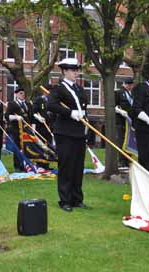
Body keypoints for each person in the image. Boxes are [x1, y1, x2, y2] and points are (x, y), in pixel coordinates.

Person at [47, 58, 89, 212]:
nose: (76, 73)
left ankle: (77, 199)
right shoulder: (58, 89)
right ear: (65, 71)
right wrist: (70, 112)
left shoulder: (80, 89)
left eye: (77, 70)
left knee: (78, 167)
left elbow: (84, 108)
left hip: (79, 133)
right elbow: (51, 105)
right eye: (73, 70)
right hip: (64, 133)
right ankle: (65, 200)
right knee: (66, 166)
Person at [5, 88, 32, 171]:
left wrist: (33, 127)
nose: (22, 95)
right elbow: (7, 116)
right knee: (17, 147)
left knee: (26, 147)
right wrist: (15, 117)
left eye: (23, 93)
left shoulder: (28, 104)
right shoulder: (12, 104)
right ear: (16, 94)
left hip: (26, 129)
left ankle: (25, 165)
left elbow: (31, 116)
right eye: (20, 93)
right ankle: (17, 165)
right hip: (16, 129)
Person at [32, 84, 54, 169]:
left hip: (49, 127)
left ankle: (47, 164)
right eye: (49, 90)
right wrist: (39, 118)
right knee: (40, 145)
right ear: (45, 91)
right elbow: (34, 112)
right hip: (41, 127)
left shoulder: (52, 100)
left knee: (48, 146)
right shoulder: (39, 100)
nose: (50, 92)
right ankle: (40, 164)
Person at [114, 76, 134, 169]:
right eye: (128, 84)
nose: (130, 86)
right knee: (121, 140)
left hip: (129, 121)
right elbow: (113, 106)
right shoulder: (118, 93)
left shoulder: (131, 94)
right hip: (121, 121)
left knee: (129, 141)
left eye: (131, 85)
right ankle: (122, 161)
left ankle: (128, 159)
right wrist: (119, 111)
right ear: (124, 84)